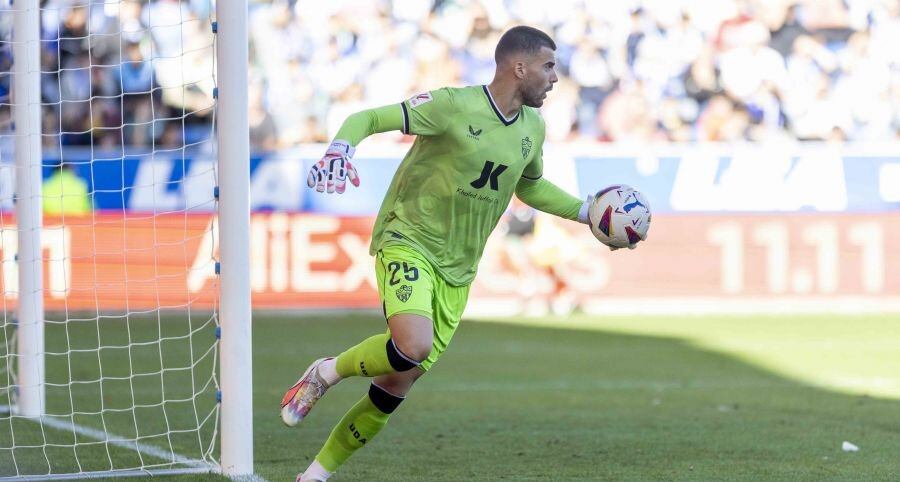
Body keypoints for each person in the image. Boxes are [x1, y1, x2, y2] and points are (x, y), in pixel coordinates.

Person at [282, 26, 593, 482]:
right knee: (413, 346)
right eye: (549, 66)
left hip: (458, 270)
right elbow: (368, 118)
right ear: (519, 67)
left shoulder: (533, 127)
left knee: (396, 383)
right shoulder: (452, 106)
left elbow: (530, 185)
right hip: (408, 238)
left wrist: (588, 213)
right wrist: (340, 149)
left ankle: (313, 476)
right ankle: (327, 372)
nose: (554, 77)